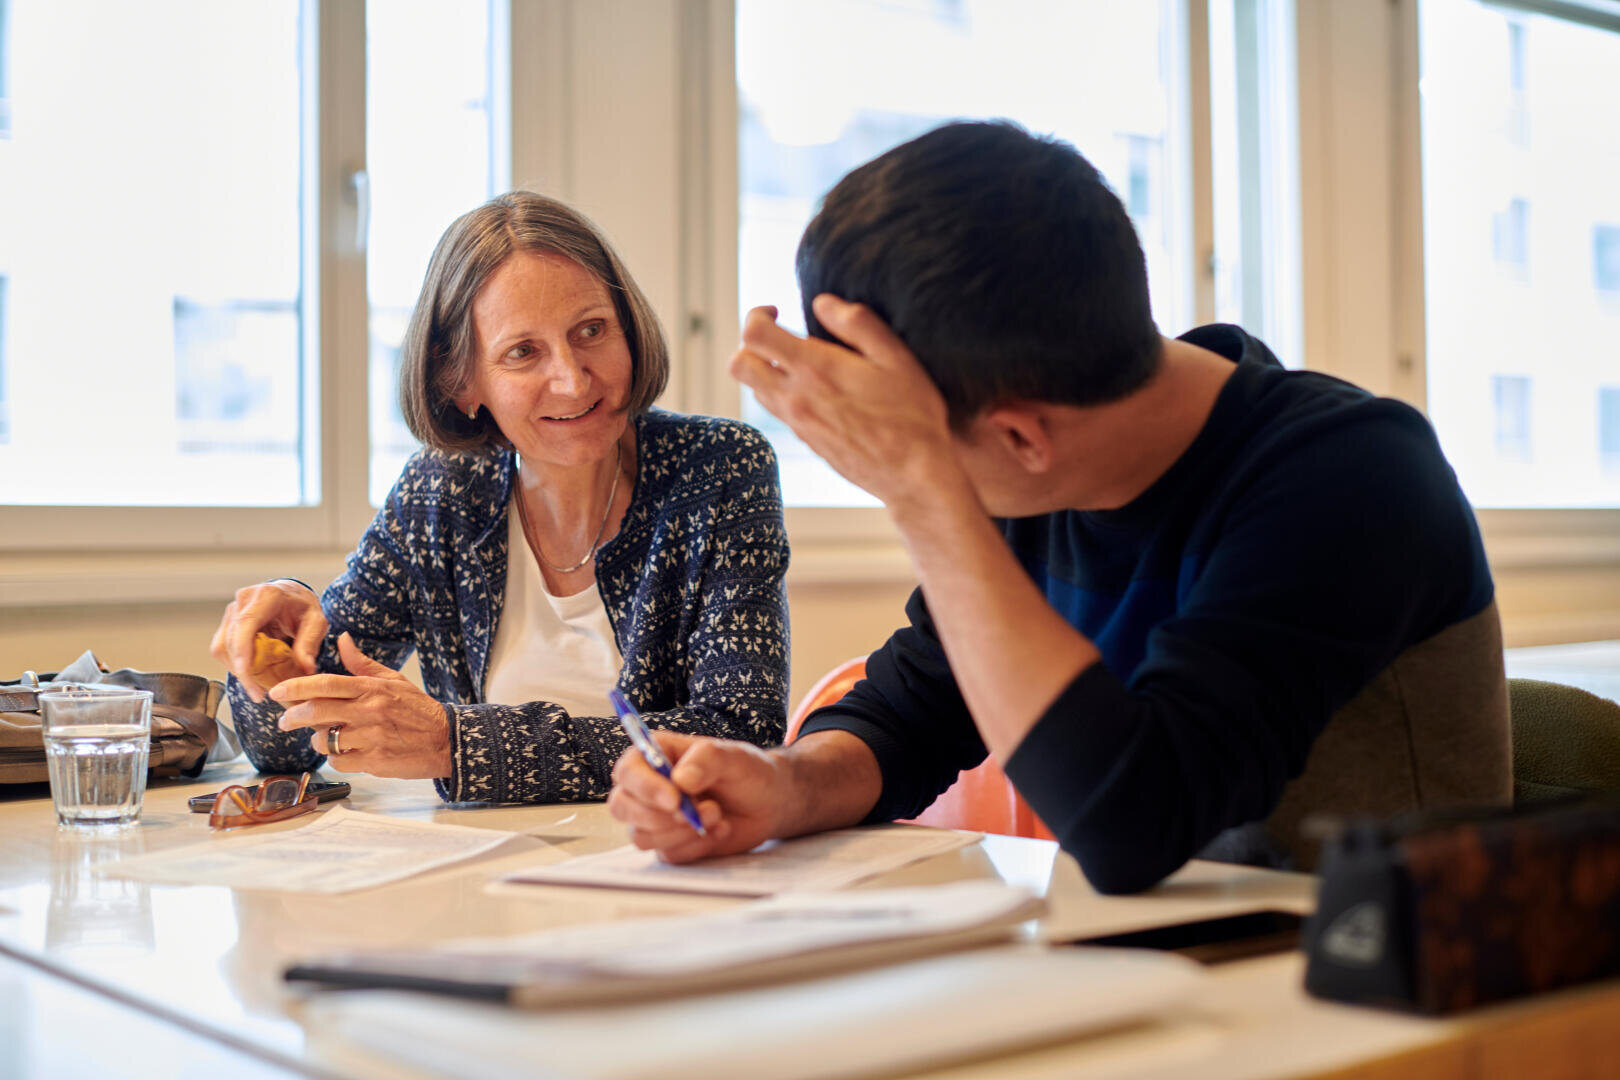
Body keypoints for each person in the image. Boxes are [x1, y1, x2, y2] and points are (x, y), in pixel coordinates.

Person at [608, 121, 1510, 894]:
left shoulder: (1350, 479)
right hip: (1173, 968)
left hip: (1383, 985)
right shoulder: (1041, 466)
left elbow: (1134, 823)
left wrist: (924, 497)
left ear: (1021, 438)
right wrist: (784, 785)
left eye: (921, 449)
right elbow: (915, 708)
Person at [211, 192, 790, 804]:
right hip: (483, 876)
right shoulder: (439, 494)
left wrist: (457, 744)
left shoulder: (720, 467)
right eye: (523, 352)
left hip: (667, 864)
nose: (572, 378)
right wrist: (269, 656)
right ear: (462, 384)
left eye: (591, 330)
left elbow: (739, 733)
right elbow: (283, 747)